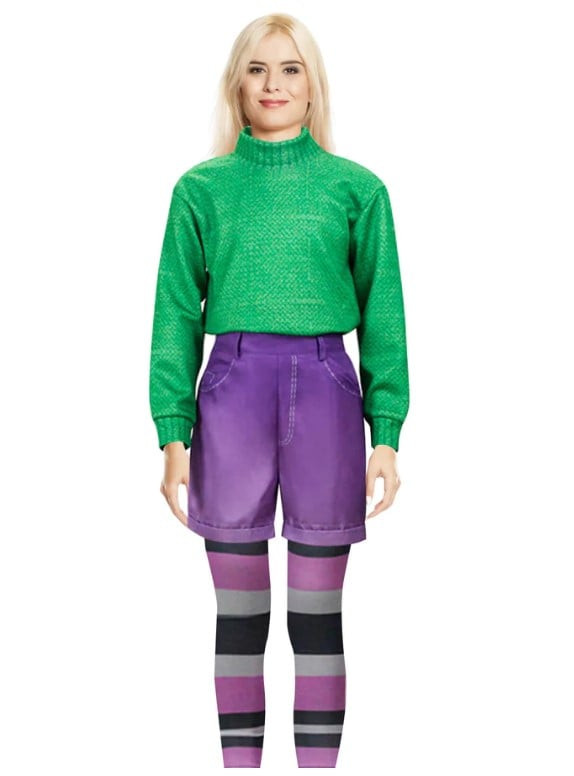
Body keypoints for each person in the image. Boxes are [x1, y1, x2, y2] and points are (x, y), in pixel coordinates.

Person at [148, 12, 410, 769]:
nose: (273, 84)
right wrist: (173, 434)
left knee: (317, 615)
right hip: (231, 396)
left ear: (312, 84)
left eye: (290, 68)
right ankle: (241, 767)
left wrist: (387, 432)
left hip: (328, 396)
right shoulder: (201, 190)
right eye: (258, 68)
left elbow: (384, 316)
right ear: (237, 82)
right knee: (239, 615)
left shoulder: (357, 190)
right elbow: (175, 314)